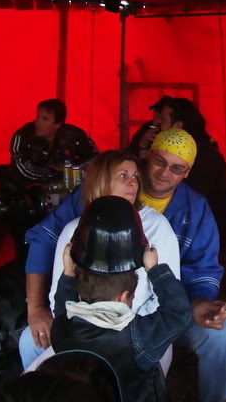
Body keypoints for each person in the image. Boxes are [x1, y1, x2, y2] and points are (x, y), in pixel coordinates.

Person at [24, 129, 226, 402]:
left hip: (143, 323)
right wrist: (37, 307)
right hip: (89, 325)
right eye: (159, 162)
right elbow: (54, 276)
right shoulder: (76, 221)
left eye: (176, 168)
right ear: (148, 157)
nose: (164, 173)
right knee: (33, 343)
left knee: (220, 337)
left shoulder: (180, 215)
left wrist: (195, 302)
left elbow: (188, 286)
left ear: (186, 173)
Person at [20, 150, 180, 371]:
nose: (133, 183)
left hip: (140, 332)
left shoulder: (156, 226)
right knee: (33, 353)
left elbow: (165, 300)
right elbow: (60, 292)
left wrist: (130, 331)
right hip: (84, 330)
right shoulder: (73, 230)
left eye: (135, 176)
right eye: (123, 175)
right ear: (101, 181)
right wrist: (86, 329)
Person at [51, 196, 192, 401]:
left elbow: (61, 309)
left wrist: (68, 273)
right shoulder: (139, 339)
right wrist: (155, 269)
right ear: (123, 297)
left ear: (80, 295)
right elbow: (179, 313)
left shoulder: (63, 332)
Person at [128, 97, 226, 258]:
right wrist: (142, 147)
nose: (155, 123)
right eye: (159, 161)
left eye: (162, 119)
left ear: (178, 126)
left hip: (200, 241)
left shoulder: (206, 159)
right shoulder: (149, 136)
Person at [10, 99, 98, 183]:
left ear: (58, 124)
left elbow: (95, 158)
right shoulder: (23, 135)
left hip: (68, 185)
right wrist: (56, 172)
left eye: (45, 119)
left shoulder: (74, 135)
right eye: (38, 116)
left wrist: (72, 169)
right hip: (27, 187)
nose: (38, 122)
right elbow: (22, 169)